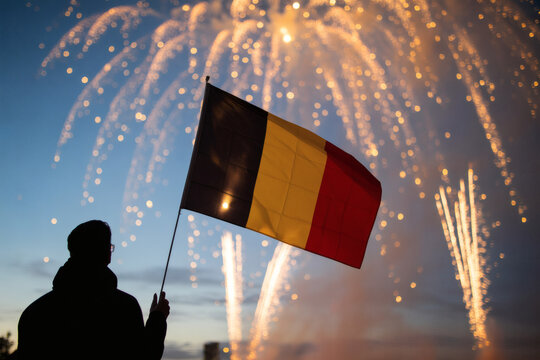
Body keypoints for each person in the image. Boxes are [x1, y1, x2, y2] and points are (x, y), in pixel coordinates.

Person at [16, 220, 170, 360]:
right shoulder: (123, 307)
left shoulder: (34, 312)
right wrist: (158, 318)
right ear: (107, 254)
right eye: (109, 247)